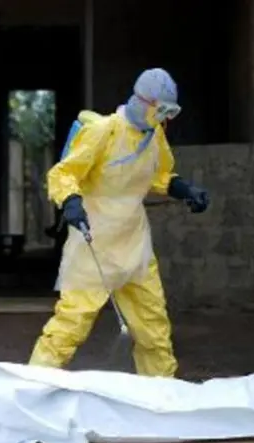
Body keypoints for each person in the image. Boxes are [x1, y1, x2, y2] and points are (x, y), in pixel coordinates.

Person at [28, 68, 210, 377]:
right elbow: (63, 173)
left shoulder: (155, 137)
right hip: (94, 241)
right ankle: (29, 389)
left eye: (171, 112)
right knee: (70, 325)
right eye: (163, 110)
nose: (166, 118)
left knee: (153, 327)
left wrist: (184, 190)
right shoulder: (104, 131)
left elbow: (159, 175)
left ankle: (161, 395)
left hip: (133, 243)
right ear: (145, 101)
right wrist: (71, 201)